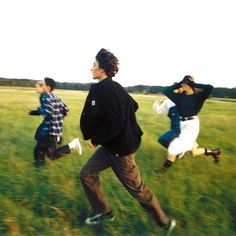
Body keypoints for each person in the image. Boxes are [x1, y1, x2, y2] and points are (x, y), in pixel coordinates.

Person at [79, 48, 176, 234]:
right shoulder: (113, 87)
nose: (91, 68)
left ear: (102, 69)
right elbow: (133, 105)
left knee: (137, 190)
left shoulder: (109, 89)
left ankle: (164, 222)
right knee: (86, 174)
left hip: (120, 151)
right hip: (110, 147)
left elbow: (115, 123)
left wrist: (95, 139)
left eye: (94, 65)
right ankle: (104, 213)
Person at [157, 75, 221, 173]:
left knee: (174, 146)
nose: (183, 85)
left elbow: (210, 87)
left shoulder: (198, 97)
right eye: (182, 83)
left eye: (185, 83)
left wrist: (193, 83)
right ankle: (213, 152)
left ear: (190, 84)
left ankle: (163, 170)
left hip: (192, 125)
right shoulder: (180, 97)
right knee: (194, 152)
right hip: (183, 124)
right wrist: (179, 84)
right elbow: (166, 91)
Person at [29, 78, 82, 166]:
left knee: (52, 155)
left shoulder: (45, 97)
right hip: (54, 129)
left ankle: (73, 144)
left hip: (50, 131)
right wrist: (58, 119)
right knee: (39, 148)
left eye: (43, 85)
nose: (41, 86)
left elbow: (47, 112)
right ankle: (39, 165)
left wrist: (39, 109)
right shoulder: (55, 97)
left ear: (48, 88)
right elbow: (66, 110)